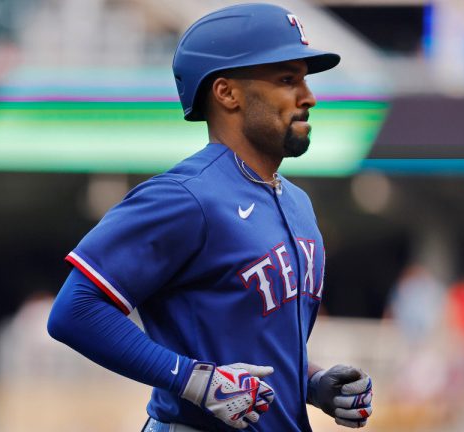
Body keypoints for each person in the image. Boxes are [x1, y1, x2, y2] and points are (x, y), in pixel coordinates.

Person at [47, 3, 373, 431]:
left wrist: (312, 382)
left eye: (305, 79)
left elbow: (246, 339)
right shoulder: (184, 196)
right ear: (227, 93)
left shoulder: (297, 203)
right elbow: (75, 310)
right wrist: (193, 381)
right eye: (287, 79)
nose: (308, 96)